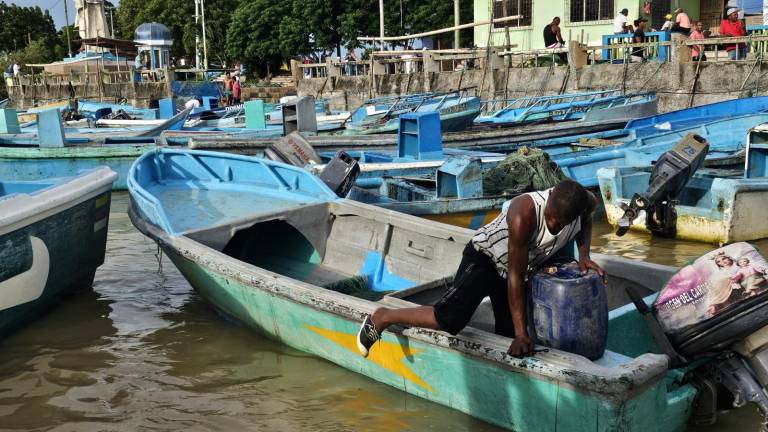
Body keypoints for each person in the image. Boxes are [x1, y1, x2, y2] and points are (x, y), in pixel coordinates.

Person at [355, 180, 605, 359]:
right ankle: (383, 317)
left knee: (511, 335)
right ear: (548, 199)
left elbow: (585, 220)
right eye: (550, 217)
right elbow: (515, 277)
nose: (552, 224)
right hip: (485, 258)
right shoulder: (525, 212)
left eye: (558, 223)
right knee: (450, 319)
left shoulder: (586, 203)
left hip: (520, 266)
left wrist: (584, 256)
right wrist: (521, 333)